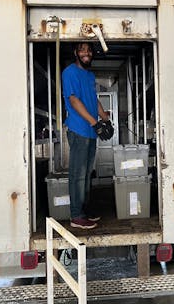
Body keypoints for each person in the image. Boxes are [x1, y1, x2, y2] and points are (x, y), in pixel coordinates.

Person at [62, 42, 113, 229]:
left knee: (86, 173)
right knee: (77, 174)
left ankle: (83, 210)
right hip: (79, 130)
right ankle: (76, 216)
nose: (86, 53)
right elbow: (74, 100)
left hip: (91, 132)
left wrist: (105, 119)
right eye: (82, 50)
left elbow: (94, 99)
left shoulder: (90, 75)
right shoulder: (69, 73)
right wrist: (95, 123)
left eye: (89, 50)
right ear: (76, 52)